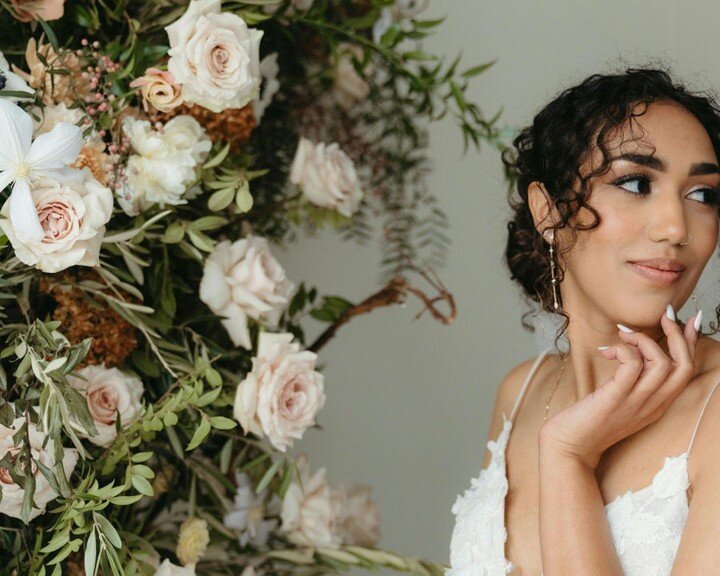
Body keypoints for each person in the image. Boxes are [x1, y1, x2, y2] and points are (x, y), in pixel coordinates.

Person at [447, 66, 720, 576]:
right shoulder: (522, 391)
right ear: (547, 211)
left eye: (703, 194)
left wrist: (568, 457)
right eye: (636, 182)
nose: (676, 227)